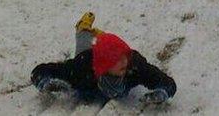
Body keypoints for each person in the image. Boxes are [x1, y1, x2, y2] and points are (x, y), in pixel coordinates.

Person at [31, 16, 176, 106]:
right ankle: (83, 28)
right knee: (83, 44)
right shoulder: (81, 69)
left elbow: (167, 83)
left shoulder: (134, 66)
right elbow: (40, 71)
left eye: (124, 56)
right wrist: (44, 82)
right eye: (117, 60)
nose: (124, 62)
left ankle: (102, 38)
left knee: (105, 44)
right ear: (104, 65)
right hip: (88, 56)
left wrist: (163, 92)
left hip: (100, 54)